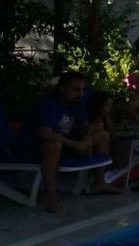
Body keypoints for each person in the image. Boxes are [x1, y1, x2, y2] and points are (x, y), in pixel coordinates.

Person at [27, 72, 119, 213]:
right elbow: (45, 134)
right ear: (62, 88)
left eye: (82, 90)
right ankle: (50, 195)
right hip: (38, 148)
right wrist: (76, 145)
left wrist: (88, 137)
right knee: (53, 143)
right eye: (76, 89)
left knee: (103, 136)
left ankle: (99, 183)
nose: (80, 94)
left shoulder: (76, 103)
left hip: (65, 145)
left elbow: (84, 128)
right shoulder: (49, 103)